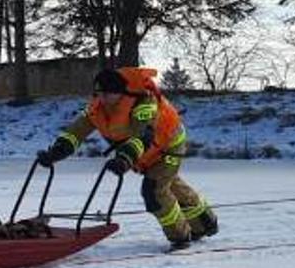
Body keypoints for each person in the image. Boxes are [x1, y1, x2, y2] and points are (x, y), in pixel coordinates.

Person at [36, 67, 218, 250]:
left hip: (168, 146)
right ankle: (205, 222)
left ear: (121, 93)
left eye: (108, 93)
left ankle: (181, 237)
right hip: (144, 153)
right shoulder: (95, 108)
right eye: (99, 93)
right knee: (167, 183)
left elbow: (143, 136)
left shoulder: (144, 104)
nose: (103, 98)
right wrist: (56, 152)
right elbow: (76, 132)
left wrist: (125, 158)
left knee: (153, 190)